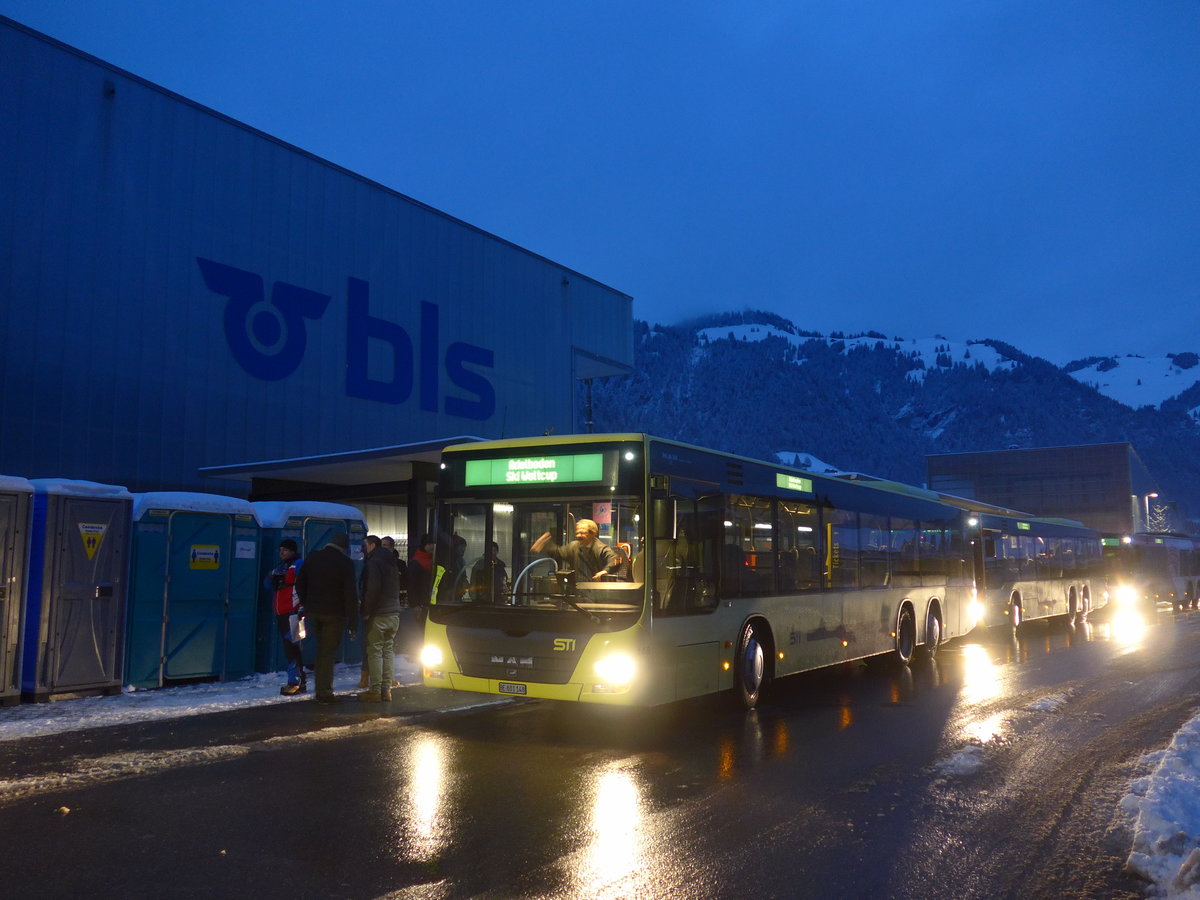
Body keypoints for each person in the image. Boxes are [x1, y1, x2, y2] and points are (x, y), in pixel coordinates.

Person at [295, 531, 357, 703]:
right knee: (327, 652)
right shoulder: (345, 563)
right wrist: (353, 621)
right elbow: (350, 594)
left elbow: (300, 582)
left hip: (313, 612)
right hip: (334, 614)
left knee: (321, 649)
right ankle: (324, 692)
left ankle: (321, 689)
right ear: (344, 547)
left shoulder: (313, 557)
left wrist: (306, 602)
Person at [357, 535, 401, 702]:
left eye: (365, 545)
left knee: (374, 651)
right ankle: (386, 690)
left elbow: (372, 588)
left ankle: (375, 690)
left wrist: (367, 610)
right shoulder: (391, 561)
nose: (363, 549)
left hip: (379, 613)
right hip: (393, 613)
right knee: (388, 650)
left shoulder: (374, 562)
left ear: (372, 546)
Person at [266, 539, 305, 695]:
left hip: (293, 612)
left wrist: (302, 607)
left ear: (293, 551)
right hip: (281, 612)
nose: (282, 553)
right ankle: (298, 680)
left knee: (293, 646)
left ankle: (295, 681)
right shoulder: (281, 566)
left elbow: (304, 584)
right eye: (281, 549)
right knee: (290, 646)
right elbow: (267, 585)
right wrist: (272, 576)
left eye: (286, 550)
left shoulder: (299, 564)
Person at [531, 518, 618, 581]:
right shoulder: (573, 547)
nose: (578, 536)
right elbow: (558, 552)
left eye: (582, 533)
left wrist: (604, 571)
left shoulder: (600, 548)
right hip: (577, 591)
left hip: (596, 591)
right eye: (577, 533)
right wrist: (545, 544)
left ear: (593, 533)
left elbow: (616, 559)